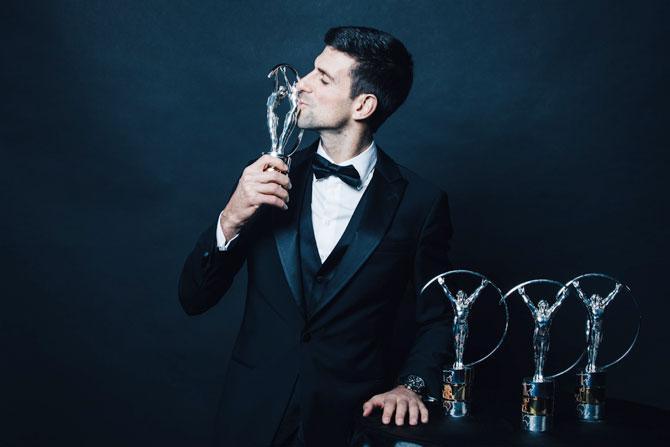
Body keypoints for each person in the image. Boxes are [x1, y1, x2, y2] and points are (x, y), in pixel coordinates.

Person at [178, 26, 453, 446]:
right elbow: (193, 298)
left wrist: (411, 386)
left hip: (351, 424)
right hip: (252, 417)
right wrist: (231, 217)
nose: (301, 85)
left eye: (323, 78)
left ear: (363, 104)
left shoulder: (422, 203)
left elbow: (437, 317)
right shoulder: (266, 177)